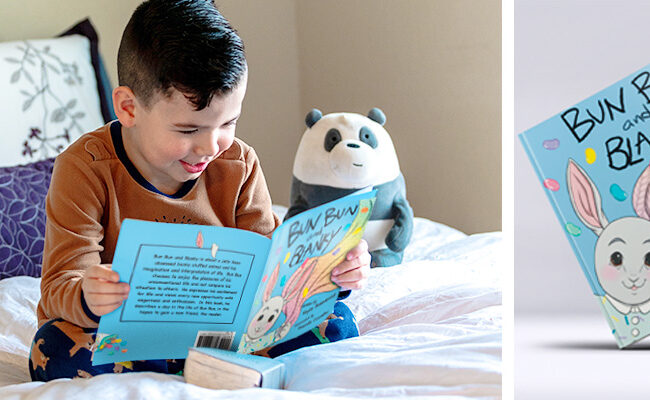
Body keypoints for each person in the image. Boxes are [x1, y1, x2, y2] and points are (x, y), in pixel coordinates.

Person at [29, 0, 370, 381]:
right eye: (189, 130)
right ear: (128, 108)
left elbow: (272, 269)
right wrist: (88, 296)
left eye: (229, 122)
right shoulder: (84, 168)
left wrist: (331, 272)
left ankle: (204, 365)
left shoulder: (237, 163)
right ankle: (202, 370)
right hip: (124, 334)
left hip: (224, 331)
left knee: (335, 322)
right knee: (54, 350)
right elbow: (60, 283)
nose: (212, 147)